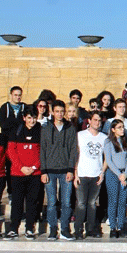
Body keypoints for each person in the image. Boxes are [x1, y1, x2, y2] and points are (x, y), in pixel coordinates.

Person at [40, 100, 78, 240]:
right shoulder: (45, 128)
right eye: (57, 111)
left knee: (67, 202)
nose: (60, 114)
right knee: (51, 202)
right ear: (52, 112)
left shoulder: (70, 128)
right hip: (49, 169)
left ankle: (65, 228)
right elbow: (42, 150)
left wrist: (70, 169)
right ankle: (52, 229)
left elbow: (73, 149)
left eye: (62, 111)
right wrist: (43, 171)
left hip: (65, 170)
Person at [6, 107, 42, 239]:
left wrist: (34, 167)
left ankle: (29, 229)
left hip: (34, 173)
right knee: (17, 202)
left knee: (32, 202)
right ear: (24, 118)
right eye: (29, 118)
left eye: (34, 118)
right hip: (18, 173)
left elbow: (43, 152)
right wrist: (21, 167)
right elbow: (11, 151)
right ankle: (13, 228)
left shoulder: (40, 131)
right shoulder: (16, 130)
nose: (32, 120)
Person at [74, 111, 106, 239]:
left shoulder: (104, 138)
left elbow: (106, 158)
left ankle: (91, 229)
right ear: (89, 121)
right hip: (82, 173)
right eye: (95, 120)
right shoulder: (80, 135)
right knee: (81, 203)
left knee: (92, 203)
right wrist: (75, 173)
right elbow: (76, 155)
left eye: (99, 121)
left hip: (96, 174)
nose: (97, 123)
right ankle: (78, 230)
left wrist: (102, 172)